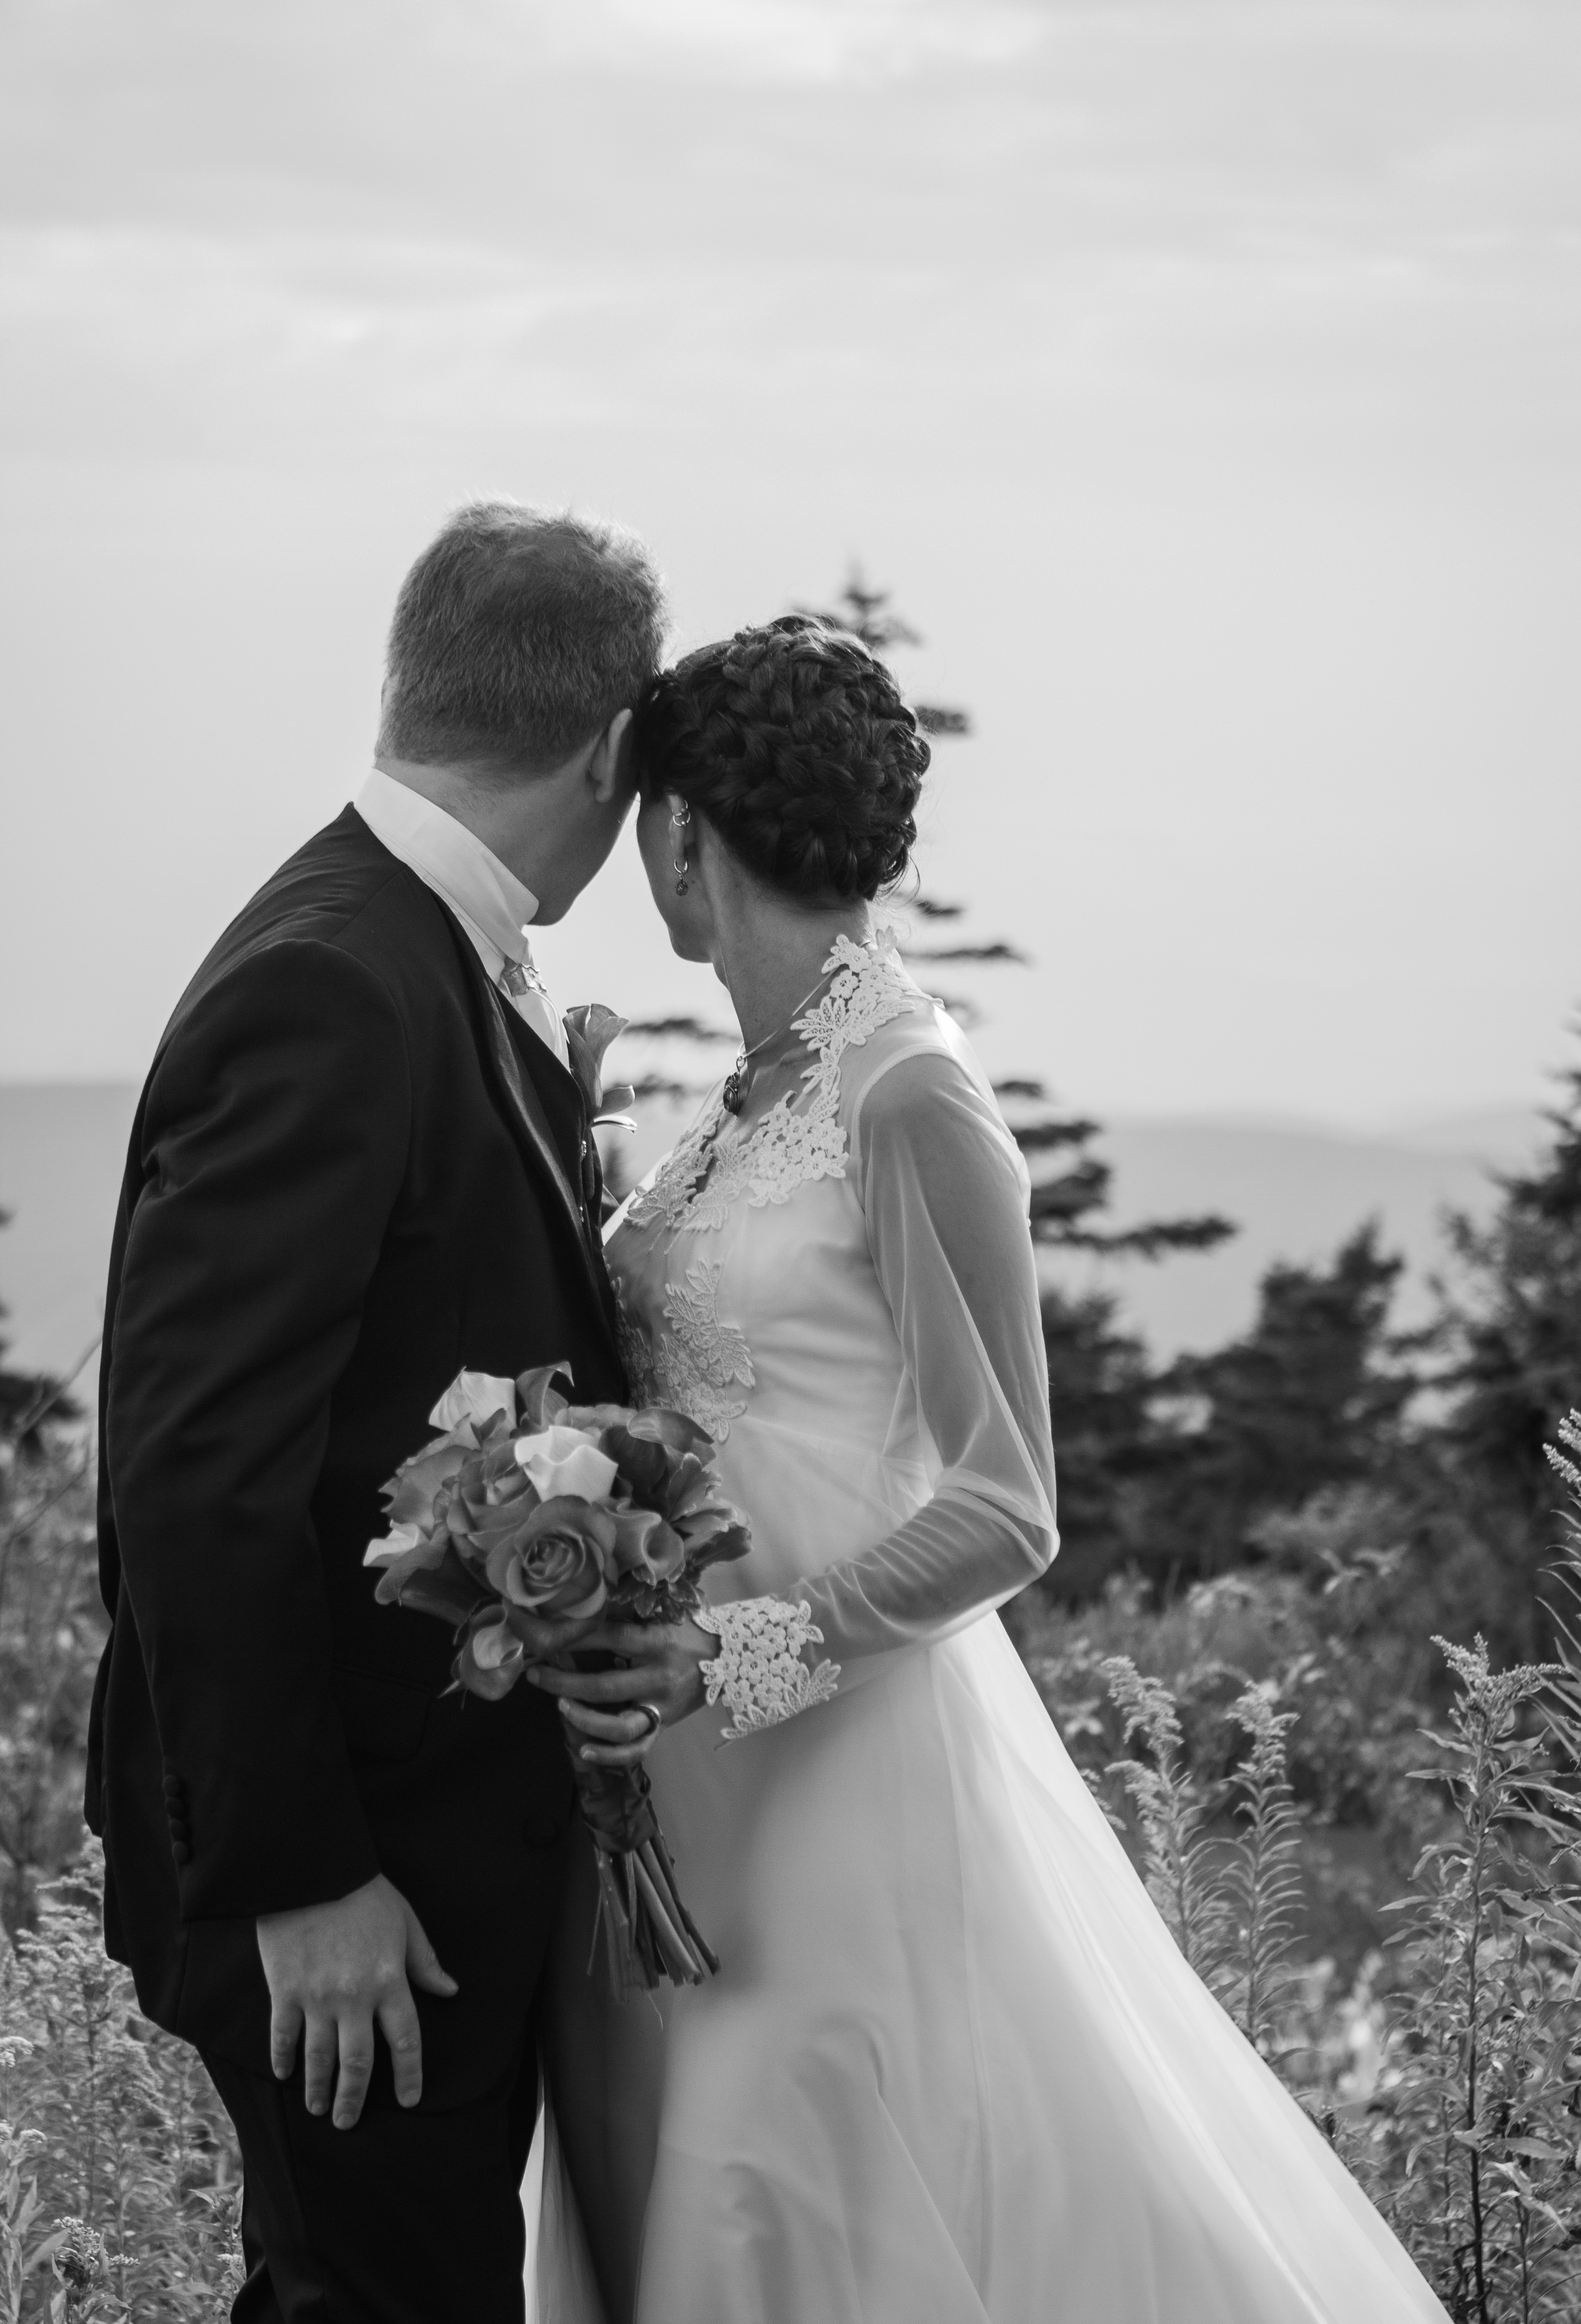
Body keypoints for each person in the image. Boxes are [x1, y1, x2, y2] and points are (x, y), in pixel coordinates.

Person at [532, 615, 1449, 2323]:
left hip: (837, 1774)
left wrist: (726, 1654)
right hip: (685, 1785)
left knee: (793, 2179)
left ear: (681, 836)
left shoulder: (906, 1094)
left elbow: (1006, 1502)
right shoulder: (754, 1091)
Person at [88, 500, 666, 2323]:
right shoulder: (342, 980)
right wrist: (304, 1881)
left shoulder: (417, 944)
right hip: (350, 1885)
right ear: (607, 746)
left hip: (435, 1844)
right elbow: (196, 1477)